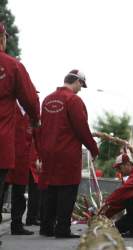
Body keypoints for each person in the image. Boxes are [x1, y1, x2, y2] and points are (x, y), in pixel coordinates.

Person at [40, 69, 99, 238]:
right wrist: (93, 148)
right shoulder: (73, 100)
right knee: (67, 189)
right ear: (78, 81)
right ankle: (62, 229)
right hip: (67, 152)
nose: (81, 89)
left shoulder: (47, 99)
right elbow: (82, 128)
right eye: (81, 85)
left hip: (48, 152)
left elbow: (41, 127)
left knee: (50, 188)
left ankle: (46, 227)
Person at [0, 22, 40, 245]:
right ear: (3, 39)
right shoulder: (12, 66)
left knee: (15, 187)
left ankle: (16, 223)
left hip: (16, 149)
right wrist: (36, 117)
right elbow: (31, 100)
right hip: (4, 143)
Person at [5, 103, 34, 235]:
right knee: (3, 189)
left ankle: (16, 225)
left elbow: (35, 136)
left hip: (22, 159)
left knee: (19, 193)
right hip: (5, 155)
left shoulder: (30, 113)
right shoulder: (7, 106)